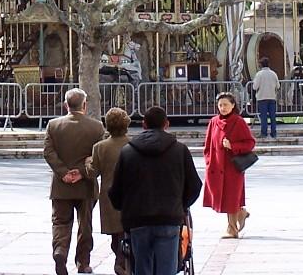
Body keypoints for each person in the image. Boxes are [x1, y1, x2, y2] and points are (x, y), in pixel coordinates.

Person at [108, 105, 202, 275]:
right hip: (169, 217)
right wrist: (180, 205)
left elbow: (116, 190)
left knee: (141, 267)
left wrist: (126, 207)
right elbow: (195, 186)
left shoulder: (128, 152)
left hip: (138, 219)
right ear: (166, 124)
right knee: (167, 268)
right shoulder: (180, 150)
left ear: (143, 125)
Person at [44, 88, 106, 275]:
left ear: (66, 105)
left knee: (61, 222)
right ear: (84, 105)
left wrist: (63, 173)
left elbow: (48, 152)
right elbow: (98, 156)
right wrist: (81, 172)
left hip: (61, 185)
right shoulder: (96, 127)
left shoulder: (53, 125)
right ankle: (83, 262)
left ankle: (60, 250)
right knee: (85, 224)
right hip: (85, 185)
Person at [202, 91, 256, 238]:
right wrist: (208, 161)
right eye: (220, 105)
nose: (223, 108)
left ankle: (232, 228)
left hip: (232, 166)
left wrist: (233, 146)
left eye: (226, 104)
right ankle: (240, 213)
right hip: (216, 166)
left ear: (233, 105)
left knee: (230, 197)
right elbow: (207, 145)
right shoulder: (213, 122)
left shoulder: (238, 122)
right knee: (223, 197)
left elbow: (250, 143)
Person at [85, 107, 131, 275]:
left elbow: (93, 173)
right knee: (129, 230)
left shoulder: (100, 147)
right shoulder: (132, 144)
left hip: (109, 195)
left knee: (115, 234)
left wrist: (87, 163)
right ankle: (124, 261)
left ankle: (120, 260)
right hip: (131, 195)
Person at [252, 56, 280, 139]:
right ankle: (273, 133)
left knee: (263, 117)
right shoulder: (273, 73)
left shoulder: (259, 74)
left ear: (261, 65)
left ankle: (264, 133)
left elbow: (255, 86)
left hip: (262, 98)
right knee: (272, 116)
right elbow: (278, 86)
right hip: (272, 97)